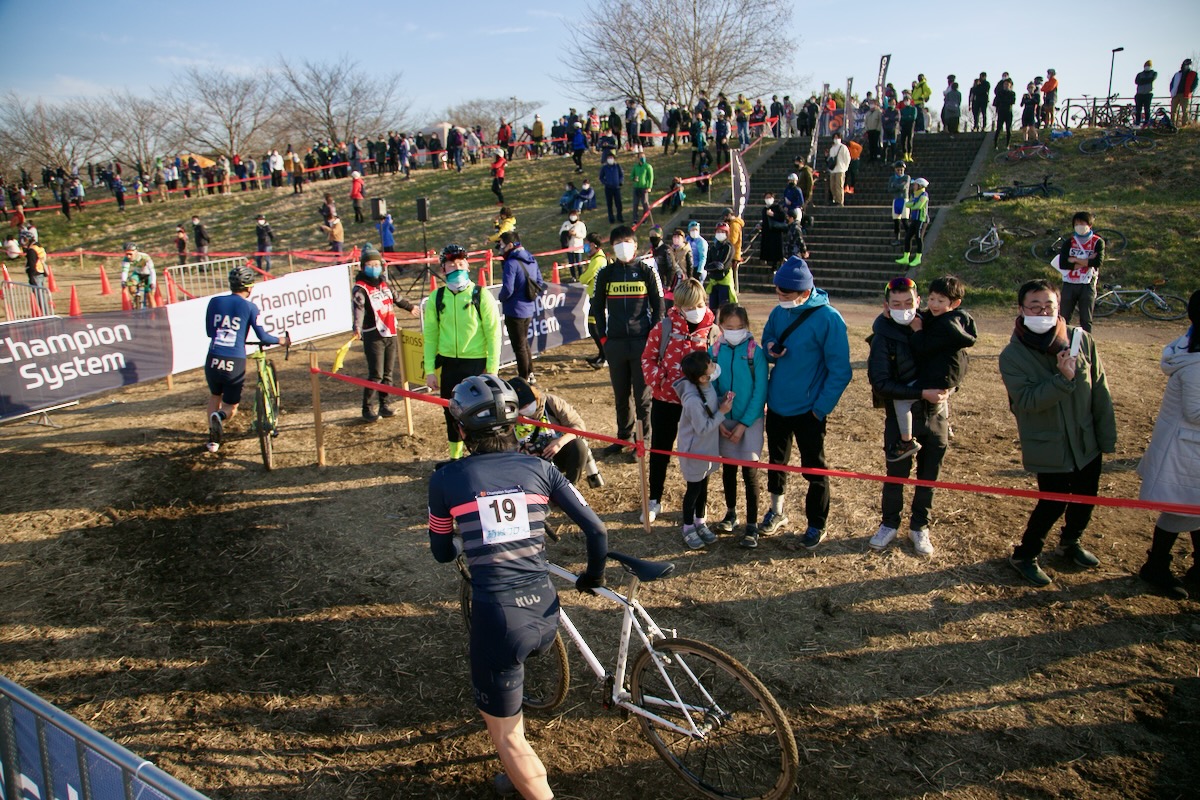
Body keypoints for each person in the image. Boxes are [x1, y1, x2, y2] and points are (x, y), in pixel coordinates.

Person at [427, 374, 607, 800]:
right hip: (546, 610)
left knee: (507, 736)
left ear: (460, 429)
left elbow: (439, 552)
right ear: (514, 423)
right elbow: (597, 532)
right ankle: (517, 767)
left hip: (498, 616)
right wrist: (593, 576)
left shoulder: (446, 479)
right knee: (512, 704)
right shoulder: (541, 468)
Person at [1001, 279, 1116, 586]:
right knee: (1052, 501)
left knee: (1086, 496)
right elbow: (1025, 401)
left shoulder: (1080, 339)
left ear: (1059, 306)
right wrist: (1063, 379)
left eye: (1048, 305)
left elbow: (1099, 389)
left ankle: (1070, 542)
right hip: (1048, 443)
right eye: (1034, 306)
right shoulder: (1013, 355)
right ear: (1022, 310)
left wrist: (1105, 435)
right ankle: (1025, 554)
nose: (1042, 312)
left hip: (1085, 437)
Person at [759, 257, 852, 547]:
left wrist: (820, 408)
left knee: (814, 468)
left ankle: (816, 523)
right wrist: (771, 348)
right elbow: (767, 339)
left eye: (785, 295)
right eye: (777, 293)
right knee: (776, 462)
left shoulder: (829, 319)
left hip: (809, 410)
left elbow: (841, 371)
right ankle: (777, 511)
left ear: (804, 292)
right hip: (777, 404)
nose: (780, 299)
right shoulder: (778, 312)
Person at [866, 277, 953, 556]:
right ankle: (889, 523)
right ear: (887, 307)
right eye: (896, 304)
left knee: (929, 475)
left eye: (909, 303)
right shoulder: (882, 336)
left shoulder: (937, 327)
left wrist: (951, 387)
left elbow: (956, 363)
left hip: (936, 415)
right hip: (900, 416)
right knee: (896, 474)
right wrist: (920, 393)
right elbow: (879, 381)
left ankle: (920, 527)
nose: (904, 309)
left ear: (918, 302)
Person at [1136, 291, 1200, 599]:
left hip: (1189, 450)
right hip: (1185, 452)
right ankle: (1156, 566)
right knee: (1180, 513)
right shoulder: (1196, 363)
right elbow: (1196, 412)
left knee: (1194, 512)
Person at [640, 279, 716, 523]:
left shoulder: (713, 330)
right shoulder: (663, 328)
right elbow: (648, 359)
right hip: (665, 401)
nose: (696, 309)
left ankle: (698, 508)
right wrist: (659, 379)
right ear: (679, 306)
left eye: (700, 303)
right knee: (660, 450)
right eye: (690, 305)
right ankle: (654, 500)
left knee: (699, 456)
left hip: (699, 405)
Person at [423, 244, 503, 460]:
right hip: (449, 364)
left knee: (480, 413)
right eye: (451, 265)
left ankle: (481, 456)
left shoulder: (481, 295)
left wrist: (492, 370)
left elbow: (494, 333)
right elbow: (430, 336)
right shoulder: (436, 298)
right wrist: (429, 369)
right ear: (443, 269)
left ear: (468, 265)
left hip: (476, 364)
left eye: (460, 264)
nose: (457, 269)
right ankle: (455, 458)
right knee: (451, 413)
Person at [593, 225, 664, 458]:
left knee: (643, 397)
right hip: (615, 343)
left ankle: (642, 442)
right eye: (618, 243)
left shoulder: (647, 271)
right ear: (612, 248)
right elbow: (597, 307)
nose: (623, 246)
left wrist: (652, 338)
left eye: (628, 241)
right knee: (621, 395)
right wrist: (604, 338)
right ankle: (623, 437)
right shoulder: (605, 273)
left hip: (641, 342)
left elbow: (659, 306)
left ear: (635, 245)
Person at [204, 265, 289, 453]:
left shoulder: (214, 301)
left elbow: (210, 332)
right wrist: (281, 340)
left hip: (213, 357)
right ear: (249, 287)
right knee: (230, 406)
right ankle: (220, 415)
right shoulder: (250, 307)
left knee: (215, 395)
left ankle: (213, 439)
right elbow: (263, 337)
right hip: (234, 359)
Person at [710, 303, 768, 549]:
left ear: (747, 327)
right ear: (721, 326)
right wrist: (719, 419)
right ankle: (731, 514)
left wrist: (744, 424)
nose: (734, 331)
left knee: (749, 471)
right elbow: (710, 386)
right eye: (729, 327)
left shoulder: (756, 351)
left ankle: (752, 525)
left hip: (750, 420)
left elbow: (760, 391)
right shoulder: (714, 350)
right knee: (729, 469)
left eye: (740, 327)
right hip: (724, 418)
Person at [674, 350, 734, 549]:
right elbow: (702, 428)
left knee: (703, 487)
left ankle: (700, 521)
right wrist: (723, 412)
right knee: (693, 490)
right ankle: (688, 527)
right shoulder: (692, 400)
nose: (714, 365)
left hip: (706, 450)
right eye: (710, 364)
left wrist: (721, 400)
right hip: (694, 452)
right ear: (702, 376)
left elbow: (710, 405)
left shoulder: (705, 386)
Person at [352, 245, 417, 422]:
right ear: (363, 266)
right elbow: (358, 309)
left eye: (377, 264)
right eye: (370, 264)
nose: (374, 267)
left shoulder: (383, 283)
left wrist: (411, 307)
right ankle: (367, 408)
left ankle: (385, 405)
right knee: (376, 374)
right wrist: (357, 326)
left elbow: (396, 297)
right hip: (373, 335)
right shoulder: (360, 288)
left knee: (388, 373)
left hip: (390, 331)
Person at [510, 377, 604, 489]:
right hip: (529, 462)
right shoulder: (509, 416)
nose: (526, 408)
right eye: (522, 407)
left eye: (528, 403)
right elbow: (502, 445)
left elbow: (578, 426)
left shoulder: (551, 403)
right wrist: (521, 450)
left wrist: (560, 442)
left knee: (579, 446)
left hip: (557, 454)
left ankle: (568, 488)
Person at [497, 231, 544, 384]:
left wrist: (501, 298)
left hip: (514, 310)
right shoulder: (531, 259)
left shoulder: (511, 263)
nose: (501, 249)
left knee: (519, 346)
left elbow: (508, 289)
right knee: (524, 343)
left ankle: (524, 377)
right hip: (528, 308)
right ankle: (529, 373)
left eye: (502, 245)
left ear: (510, 245)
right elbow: (539, 281)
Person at [1053, 211, 1105, 333]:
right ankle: (1062, 341)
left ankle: (1086, 344)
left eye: (1082, 223)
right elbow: (1063, 264)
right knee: (1064, 317)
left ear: (1089, 225)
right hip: (1069, 282)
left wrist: (1075, 260)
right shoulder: (1069, 242)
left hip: (1087, 283)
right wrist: (1086, 261)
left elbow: (1097, 262)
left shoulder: (1097, 242)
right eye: (1076, 223)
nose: (1079, 226)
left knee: (1086, 319)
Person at [578, 232, 608, 368]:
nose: (585, 247)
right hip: (595, 298)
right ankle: (602, 355)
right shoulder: (597, 259)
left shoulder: (598, 261)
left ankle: (604, 356)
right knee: (595, 328)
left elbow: (585, 278)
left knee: (595, 328)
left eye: (586, 244)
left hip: (598, 299)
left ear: (593, 245)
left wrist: (583, 277)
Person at [895, 178, 929, 267]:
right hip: (914, 219)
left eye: (915, 185)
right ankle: (906, 257)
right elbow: (907, 204)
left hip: (922, 219)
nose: (913, 186)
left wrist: (912, 204)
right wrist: (913, 204)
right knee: (908, 237)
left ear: (920, 186)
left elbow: (918, 206)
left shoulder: (924, 195)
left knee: (918, 237)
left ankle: (918, 258)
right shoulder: (914, 194)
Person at [704, 223, 736, 310]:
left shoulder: (728, 247)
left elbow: (723, 265)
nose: (720, 233)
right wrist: (714, 265)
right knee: (713, 308)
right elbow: (706, 265)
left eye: (722, 232)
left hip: (724, 281)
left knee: (724, 308)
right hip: (713, 281)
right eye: (718, 231)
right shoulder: (713, 248)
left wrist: (713, 265)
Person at [758, 192, 785, 269]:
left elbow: (782, 217)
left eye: (770, 197)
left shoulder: (777, 207)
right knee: (767, 249)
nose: (768, 199)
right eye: (766, 197)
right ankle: (767, 262)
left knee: (775, 250)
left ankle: (775, 265)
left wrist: (773, 215)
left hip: (775, 232)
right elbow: (764, 221)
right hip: (766, 232)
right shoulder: (764, 209)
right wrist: (761, 226)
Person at [887, 161, 911, 246]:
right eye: (898, 170)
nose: (900, 171)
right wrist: (898, 186)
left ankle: (909, 238)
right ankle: (897, 239)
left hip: (904, 200)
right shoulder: (892, 178)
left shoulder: (906, 177)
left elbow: (904, 187)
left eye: (901, 170)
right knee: (896, 222)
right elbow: (889, 189)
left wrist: (895, 185)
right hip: (896, 200)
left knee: (905, 221)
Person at [1169, 59, 1197, 128]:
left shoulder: (1192, 74)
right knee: (1173, 110)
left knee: (1185, 110)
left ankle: (1184, 125)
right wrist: (1172, 91)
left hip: (1185, 94)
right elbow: (1172, 83)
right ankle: (1172, 124)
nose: (1187, 66)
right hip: (1176, 94)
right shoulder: (1177, 74)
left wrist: (1190, 90)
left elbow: (1195, 83)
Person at [559, 211, 586, 281]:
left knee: (579, 263)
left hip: (578, 247)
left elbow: (584, 235)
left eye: (574, 215)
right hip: (569, 247)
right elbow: (561, 233)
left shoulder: (581, 224)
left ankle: (581, 277)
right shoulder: (566, 224)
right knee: (571, 263)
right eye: (571, 215)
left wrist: (575, 234)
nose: (572, 216)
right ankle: (573, 277)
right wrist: (568, 233)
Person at [826, 132, 851, 206]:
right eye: (835, 137)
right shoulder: (832, 148)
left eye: (837, 137)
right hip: (833, 170)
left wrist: (845, 167)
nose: (836, 139)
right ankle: (834, 199)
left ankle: (840, 201)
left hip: (840, 169)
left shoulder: (843, 147)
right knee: (832, 186)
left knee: (839, 186)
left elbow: (847, 158)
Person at [600, 152, 624, 224]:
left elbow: (621, 175)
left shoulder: (617, 166)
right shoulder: (604, 167)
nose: (610, 159)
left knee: (618, 204)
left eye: (611, 158)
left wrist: (620, 182)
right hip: (608, 188)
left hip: (616, 188)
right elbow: (601, 177)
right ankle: (611, 219)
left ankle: (620, 217)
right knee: (609, 204)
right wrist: (605, 183)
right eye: (609, 158)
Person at [994, 78, 1017, 149]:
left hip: (1008, 112)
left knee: (1008, 129)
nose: (1006, 86)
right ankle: (995, 144)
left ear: (1010, 85)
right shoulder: (1000, 93)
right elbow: (996, 102)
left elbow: (1012, 101)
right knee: (998, 128)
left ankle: (1007, 144)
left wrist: (1003, 101)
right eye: (1005, 84)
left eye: (1007, 84)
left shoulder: (1012, 93)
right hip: (1001, 111)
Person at [631, 153, 654, 222]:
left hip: (644, 187)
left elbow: (651, 177)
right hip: (636, 187)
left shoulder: (648, 166)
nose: (642, 158)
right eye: (641, 157)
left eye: (644, 157)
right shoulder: (635, 167)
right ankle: (635, 218)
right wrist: (634, 178)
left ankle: (645, 218)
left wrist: (649, 187)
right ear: (638, 158)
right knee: (635, 203)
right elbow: (631, 176)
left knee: (645, 203)